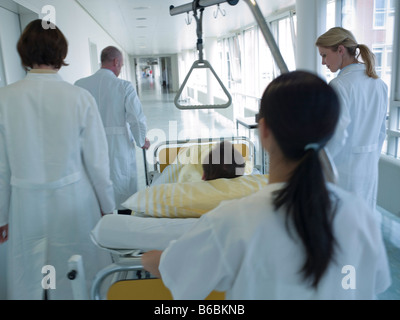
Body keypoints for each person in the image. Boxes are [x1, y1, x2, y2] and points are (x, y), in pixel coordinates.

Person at [142, 71, 391, 300]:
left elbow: (174, 267)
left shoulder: (234, 220)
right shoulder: (362, 217)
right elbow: (374, 284)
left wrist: (149, 258)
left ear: (264, 130)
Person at [0, 20, 115, 300]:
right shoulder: (79, 97)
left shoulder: (4, 99)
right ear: (60, 53)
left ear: (23, 52)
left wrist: (2, 215)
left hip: (25, 206)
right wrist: (108, 208)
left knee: (31, 275)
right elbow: (97, 163)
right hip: (74, 202)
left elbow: (1, 166)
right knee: (74, 271)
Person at [316, 27, 388, 212]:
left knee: (341, 224)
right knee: (363, 220)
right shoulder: (379, 84)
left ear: (340, 50)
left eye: (324, 55)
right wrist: (369, 157)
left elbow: (336, 136)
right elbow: (381, 132)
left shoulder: (339, 86)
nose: (323, 62)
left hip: (343, 169)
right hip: (369, 167)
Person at [75, 46, 150, 215]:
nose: (120, 69)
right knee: (122, 190)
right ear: (116, 62)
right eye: (121, 65)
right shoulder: (124, 86)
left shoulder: (80, 85)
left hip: (90, 146)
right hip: (119, 146)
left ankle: (103, 229)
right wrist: (141, 140)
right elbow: (136, 119)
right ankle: (123, 228)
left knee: (97, 190)